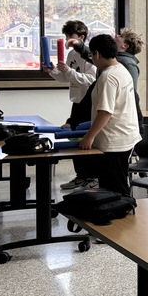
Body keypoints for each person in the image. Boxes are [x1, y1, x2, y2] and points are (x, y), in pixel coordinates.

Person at [78, 34, 142, 196]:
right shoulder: (122, 69)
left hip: (114, 140)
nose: (93, 59)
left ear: (97, 54)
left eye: (92, 55)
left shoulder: (108, 76)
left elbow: (106, 111)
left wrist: (89, 136)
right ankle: (121, 215)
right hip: (125, 136)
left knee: (114, 188)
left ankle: (122, 216)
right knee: (117, 184)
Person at [47, 20, 98, 191]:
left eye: (70, 36)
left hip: (89, 103)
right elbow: (66, 77)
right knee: (75, 139)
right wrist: (52, 71)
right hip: (76, 101)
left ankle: (91, 177)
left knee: (86, 141)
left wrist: (69, 72)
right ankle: (81, 176)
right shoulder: (70, 55)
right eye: (66, 36)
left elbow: (91, 80)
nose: (67, 39)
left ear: (81, 37)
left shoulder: (91, 55)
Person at [116, 27, 144, 120]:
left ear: (125, 46)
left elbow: (131, 91)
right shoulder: (117, 59)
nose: (116, 36)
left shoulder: (128, 64)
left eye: (120, 36)